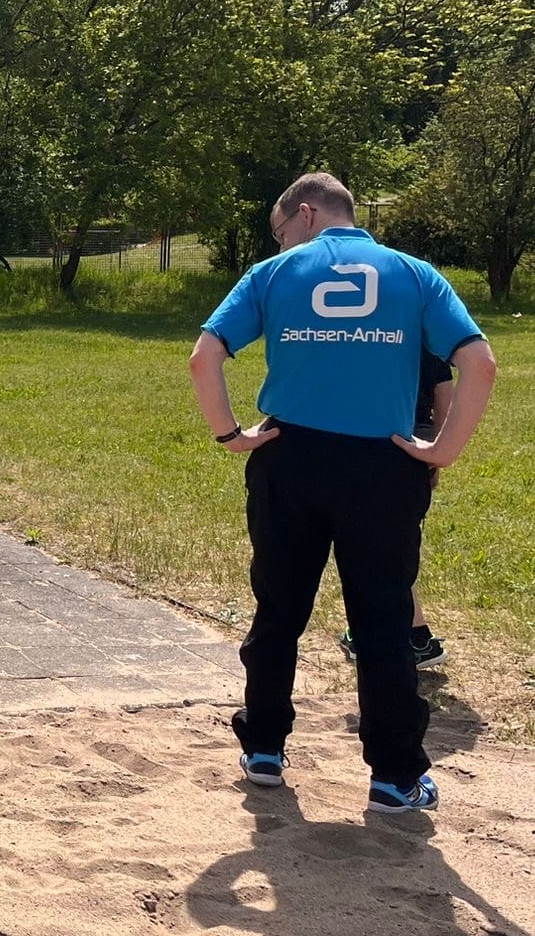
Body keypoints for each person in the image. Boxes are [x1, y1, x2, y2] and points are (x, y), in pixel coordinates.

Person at [189, 172, 495, 816]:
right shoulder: (415, 274)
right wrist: (444, 448)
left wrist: (227, 434)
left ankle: (265, 748)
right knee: (383, 621)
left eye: (280, 234)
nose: (278, 247)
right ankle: (395, 777)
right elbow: (479, 362)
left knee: (278, 610)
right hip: (383, 465)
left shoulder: (274, 276)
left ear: (305, 214)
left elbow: (205, 355)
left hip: (288, 456)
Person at [340, 350, 454, 669]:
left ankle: (411, 639)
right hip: (418, 443)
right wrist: (440, 451)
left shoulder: (364, 329)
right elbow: (444, 392)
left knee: (374, 549)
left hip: (374, 441)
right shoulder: (427, 330)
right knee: (393, 544)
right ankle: (403, 634)